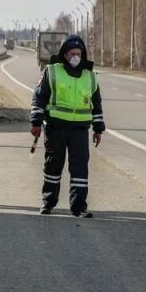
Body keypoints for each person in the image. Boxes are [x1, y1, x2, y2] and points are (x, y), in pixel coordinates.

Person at [30, 35, 105, 218]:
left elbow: (96, 104)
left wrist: (98, 128)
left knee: (80, 169)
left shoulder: (90, 77)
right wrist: (36, 122)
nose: (76, 57)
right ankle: (48, 202)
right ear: (64, 54)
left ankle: (79, 207)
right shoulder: (52, 71)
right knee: (53, 167)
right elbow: (39, 97)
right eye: (72, 53)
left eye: (79, 53)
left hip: (80, 130)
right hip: (56, 128)